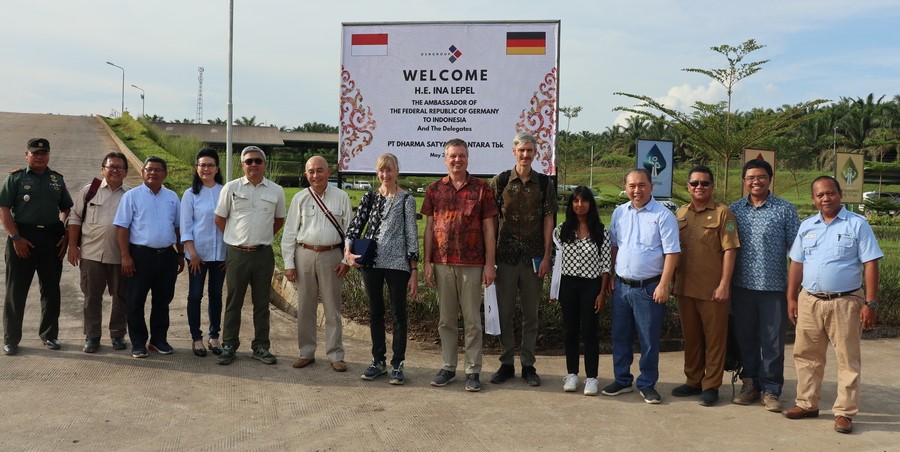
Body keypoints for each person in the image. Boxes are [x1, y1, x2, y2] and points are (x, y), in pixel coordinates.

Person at [782, 176, 882, 434]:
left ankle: (844, 413)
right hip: (810, 300)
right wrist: (792, 297)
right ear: (813, 199)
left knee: (847, 359)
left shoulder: (857, 225)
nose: (825, 198)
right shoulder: (806, 226)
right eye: (819, 195)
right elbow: (797, 264)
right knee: (806, 355)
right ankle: (807, 403)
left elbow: (871, 263)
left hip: (845, 301)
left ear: (840, 194)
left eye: (830, 193)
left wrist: (870, 303)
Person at [422, 138, 498, 392]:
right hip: (443, 263)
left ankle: (473, 370)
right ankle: (448, 367)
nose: (457, 160)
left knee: (473, 321)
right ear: (445, 159)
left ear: (467, 158)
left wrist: (490, 264)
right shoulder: (435, 189)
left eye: (461, 155)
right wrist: (427, 261)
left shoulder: (481, 189)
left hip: (473, 264)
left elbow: (489, 228)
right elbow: (430, 228)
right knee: (446, 320)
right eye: (452, 156)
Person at [602, 168, 680, 404]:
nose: (637, 190)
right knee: (620, 336)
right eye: (632, 186)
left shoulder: (663, 215)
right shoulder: (619, 213)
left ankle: (647, 383)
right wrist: (612, 275)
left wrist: (664, 284)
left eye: (642, 185)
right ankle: (622, 379)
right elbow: (615, 245)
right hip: (622, 287)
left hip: (649, 288)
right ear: (625, 188)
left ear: (651, 187)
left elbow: (672, 253)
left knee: (648, 339)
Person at [729, 159, 800, 412]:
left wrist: (796, 289)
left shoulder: (785, 210)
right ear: (744, 181)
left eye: (760, 177)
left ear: (770, 179)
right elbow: (726, 245)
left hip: (774, 289)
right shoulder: (734, 210)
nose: (755, 181)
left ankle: (771, 389)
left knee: (772, 342)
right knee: (745, 338)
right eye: (750, 178)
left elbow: (797, 251)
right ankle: (750, 384)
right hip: (741, 287)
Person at [488, 132, 557, 387]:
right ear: (514, 152)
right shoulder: (501, 181)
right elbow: (492, 221)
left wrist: (548, 255)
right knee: (504, 313)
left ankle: (528, 364)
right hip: (505, 257)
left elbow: (549, 219)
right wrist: (490, 258)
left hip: (534, 258)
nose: (526, 155)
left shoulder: (544, 184)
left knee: (531, 314)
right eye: (521, 150)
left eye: (530, 151)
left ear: (535, 153)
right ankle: (506, 362)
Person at [345, 153, 419, 384]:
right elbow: (355, 227)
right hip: (372, 263)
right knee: (375, 312)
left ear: (397, 171)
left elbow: (411, 236)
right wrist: (348, 253)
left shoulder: (407, 200)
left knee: (399, 314)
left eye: (389, 170)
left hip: (398, 264)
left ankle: (398, 364)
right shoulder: (370, 197)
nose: (385, 175)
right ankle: (378, 361)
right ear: (377, 173)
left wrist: (414, 270)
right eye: (381, 171)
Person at [671, 165, 740, 406]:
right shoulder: (680, 214)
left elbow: (730, 250)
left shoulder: (724, 214)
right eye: (695, 183)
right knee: (691, 338)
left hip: (712, 290)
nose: (699, 187)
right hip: (684, 288)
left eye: (704, 183)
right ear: (688, 187)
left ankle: (711, 385)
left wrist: (724, 284)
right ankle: (693, 380)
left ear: (713, 186)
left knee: (715, 339)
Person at [0, 138, 73, 355]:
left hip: (51, 237)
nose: (39, 156)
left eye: (43, 153)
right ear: (27, 155)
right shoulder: (15, 178)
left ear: (48, 155)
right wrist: (15, 237)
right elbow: (3, 209)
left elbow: (66, 208)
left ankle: (50, 335)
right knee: (16, 291)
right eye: (35, 153)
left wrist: (64, 232)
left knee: (51, 289)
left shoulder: (56, 180)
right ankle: (11, 339)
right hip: (23, 236)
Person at [214, 146, 286, 365]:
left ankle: (261, 347)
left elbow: (279, 220)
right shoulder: (231, 187)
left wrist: (261, 237)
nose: (253, 165)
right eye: (249, 161)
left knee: (262, 303)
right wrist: (236, 239)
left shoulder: (276, 190)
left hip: (263, 254)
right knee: (233, 301)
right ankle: (229, 345)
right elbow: (219, 218)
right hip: (237, 254)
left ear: (264, 164)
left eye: (258, 161)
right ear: (242, 165)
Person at [282, 155, 352, 372]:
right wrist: (289, 263)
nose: (315, 175)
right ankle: (306, 352)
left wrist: (345, 259)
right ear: (306, 174)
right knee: (305, 307)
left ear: (328, 172)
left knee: (332, 308)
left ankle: (335, 354)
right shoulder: (300, 198)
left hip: (332, 256)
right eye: (311, 171)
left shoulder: (341, 197)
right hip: (305, 254)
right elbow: (290, 233)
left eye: (319, 170)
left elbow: (350, 231)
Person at [114, 156, 184, 358]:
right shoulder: (132, 196)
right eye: (149, 169)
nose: (153, 173)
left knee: (163, 301)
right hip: (140, 256)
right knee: (135, 301)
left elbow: (178, 227)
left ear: (165, 174)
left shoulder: (172, 197)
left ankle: (158, 340)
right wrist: (125, 256)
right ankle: (138, 342)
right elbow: (122, 228)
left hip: (166, 256)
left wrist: (179, 254)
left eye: (158, 170)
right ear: (143, 172)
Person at [66, 152, 131, 353]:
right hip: (91, 254)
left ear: (126, 172)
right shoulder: (89, 191)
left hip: (119, 256)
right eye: (111, 166)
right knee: (91, 297)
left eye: (119, 167)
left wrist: (128, 256)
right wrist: (72, 246)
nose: (115, 170)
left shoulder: (130, 195)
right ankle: (92, 336)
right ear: (102, 169)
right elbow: (75, 218)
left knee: (121, 297)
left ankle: (118, 335)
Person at [550, 186, 610, 396]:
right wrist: (554, 289)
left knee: (590, 332)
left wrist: (602, 292)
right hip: (568, 285)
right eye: (575, 201)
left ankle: (592, 377)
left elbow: (605, 265)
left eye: (584, 201)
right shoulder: (561, 230)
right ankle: (572, 374)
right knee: (570, 331)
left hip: (591, 286)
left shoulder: (600, 231)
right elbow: (556, 263)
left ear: (590, 204)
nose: (579, 205)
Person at [181, 149, 226, 357]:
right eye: (202, 165)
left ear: (217, 168)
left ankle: (214, 336)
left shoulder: (225, 191)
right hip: (197, 255)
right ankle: (196, 338)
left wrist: (230, 253)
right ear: (196, 168)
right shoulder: (190, 194)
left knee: (216, 295)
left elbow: (232, 223)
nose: (206, 169)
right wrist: (192, 253)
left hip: (220, 255)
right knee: (195, 295)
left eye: (210, 165)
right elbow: (186, 226)